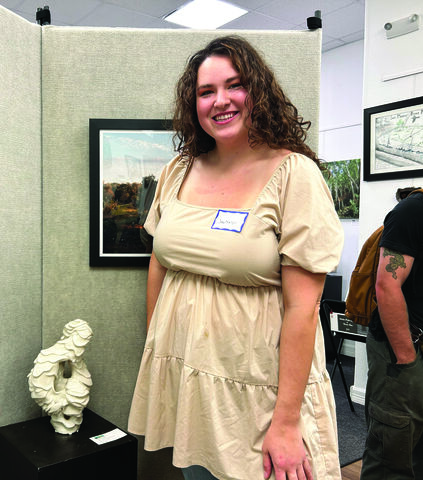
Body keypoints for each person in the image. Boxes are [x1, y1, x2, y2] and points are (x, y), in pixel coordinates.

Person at [127, 36, 344, 480]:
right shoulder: (178, 171)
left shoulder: (293, 174)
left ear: (258, 91)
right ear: (193, 103)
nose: (220, 101)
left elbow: (304, 308)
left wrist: (285, 423)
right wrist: (158, 349)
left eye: (234, 85)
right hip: (190, 379)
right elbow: (159, 264)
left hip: (259, 389)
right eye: (206, 92)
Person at [360, 173, 423, 479]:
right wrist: (406, 358)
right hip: (405, 349)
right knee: (391, 455)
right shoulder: (417, 210)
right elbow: (387, 285)